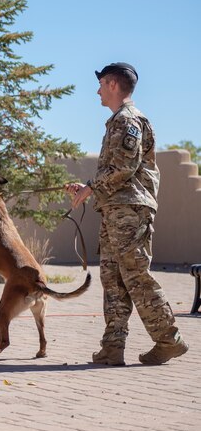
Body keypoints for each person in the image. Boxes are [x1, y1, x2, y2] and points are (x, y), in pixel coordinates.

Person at [65, 62, 188, 366]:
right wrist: (90, 186)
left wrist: (90, 187)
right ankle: (113, 346)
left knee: (135, 275)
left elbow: (123, 168)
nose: (97, 91)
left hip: (130, 210)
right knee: (113, 277)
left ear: (113, 84)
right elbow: (118, 169)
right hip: (116, 208)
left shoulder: (128, 121)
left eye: (101, 84)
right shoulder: (118, 121)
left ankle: (168, 339)